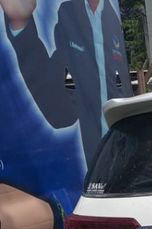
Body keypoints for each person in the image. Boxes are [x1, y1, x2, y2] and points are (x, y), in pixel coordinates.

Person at [1, 0, 133, 163]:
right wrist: (21, 25)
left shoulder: (112, 20)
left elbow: (123, 90)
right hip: (95, 165)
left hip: (125, 150)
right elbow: (61, 112)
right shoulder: (68, 13)